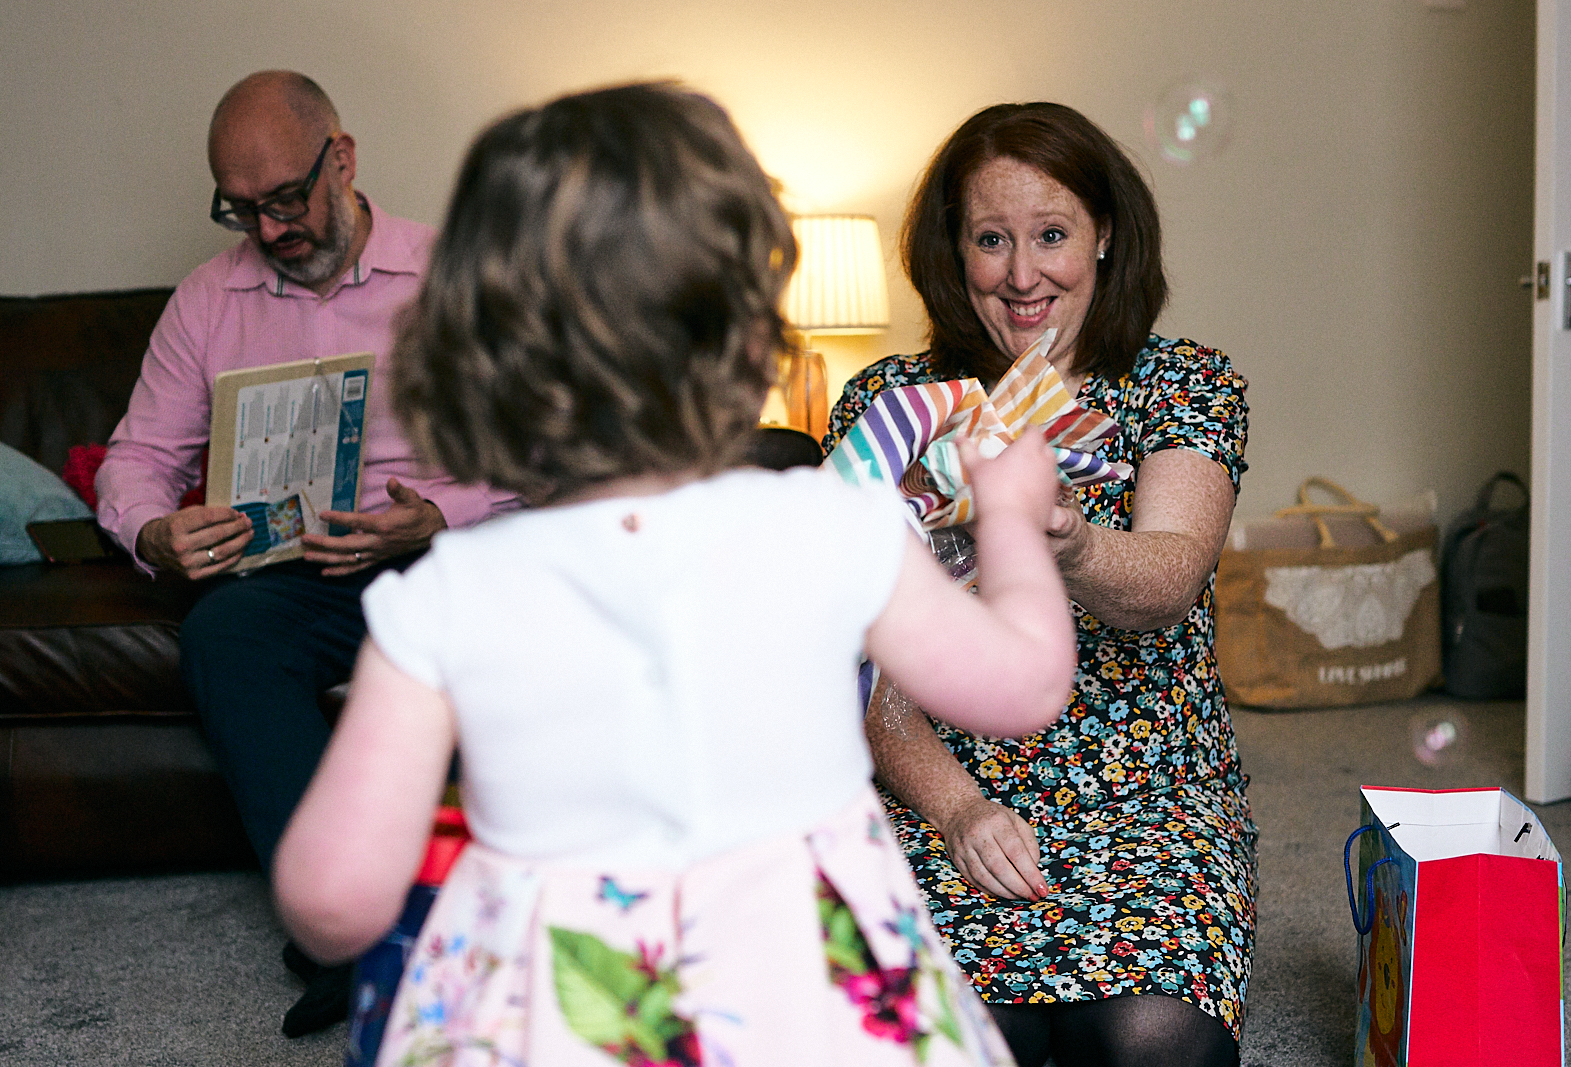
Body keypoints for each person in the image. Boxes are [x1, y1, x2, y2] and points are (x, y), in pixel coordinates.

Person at [271, 82, 1080, 1067]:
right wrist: (1006, 513)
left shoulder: (444, 597)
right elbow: (1024, 682)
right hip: (807, 1011)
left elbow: (332, 898)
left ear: (475, 352)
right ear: (747, 337)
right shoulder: (831, 523)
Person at [822, 102, 1255, 1067]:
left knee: (1155, 1042)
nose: (1023, 275)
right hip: (954, 788)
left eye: (1051, 234)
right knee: (940, 1044)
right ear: (955, 251)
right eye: (991, 240)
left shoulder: (1180, 384)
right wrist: (960, 810)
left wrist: (1060, 542)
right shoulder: (892, 409)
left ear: (1104, 235)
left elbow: (1168, 581)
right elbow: (865, 668)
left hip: (1151, 801)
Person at [93, 70, 522, 1036]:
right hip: (290, 574)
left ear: (344, 159)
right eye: (242, 210)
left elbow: (548, 459)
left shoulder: (458, 275)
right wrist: (155, 529)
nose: (270, 229)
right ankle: (354, 929)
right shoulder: (208, 299)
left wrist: (440, 514)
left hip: (441, 556)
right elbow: (136, 459)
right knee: (223, 636)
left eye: (286, 199)